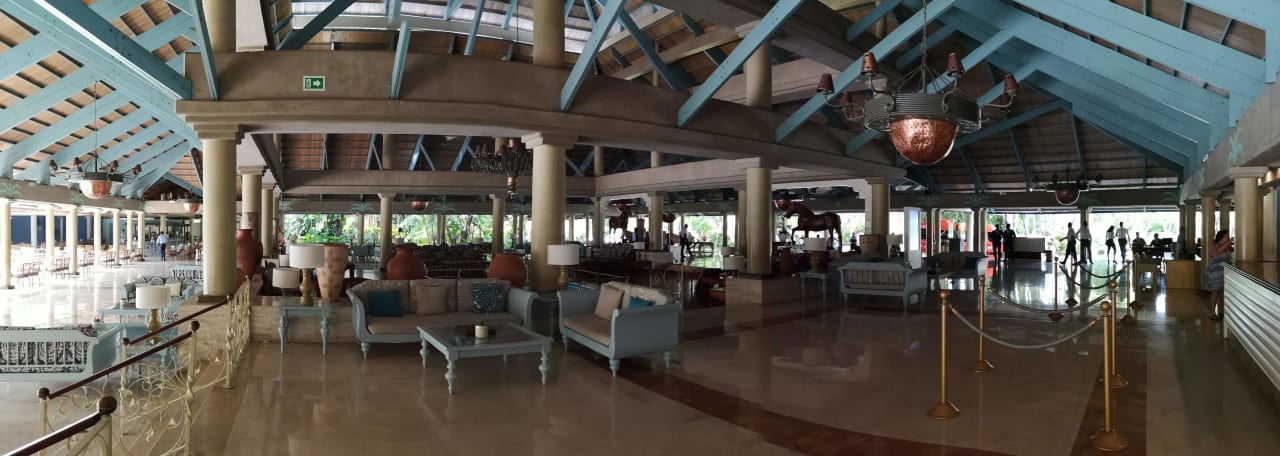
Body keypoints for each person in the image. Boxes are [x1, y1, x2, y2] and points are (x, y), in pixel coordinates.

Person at [1206, 230, 1234, 321]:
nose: (1228, 238)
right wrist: (1228, 243)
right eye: (1226, 236)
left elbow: (1232, 252)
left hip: (1226, 271)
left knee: (1222, 292)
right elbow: (1217, 252)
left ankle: (1221, 311)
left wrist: (1229, 245)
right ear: (1221, 237)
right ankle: (1212, 313)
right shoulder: (1213, 245)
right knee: (1215, 291)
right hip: (1216, 272)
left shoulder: (1227, 246)